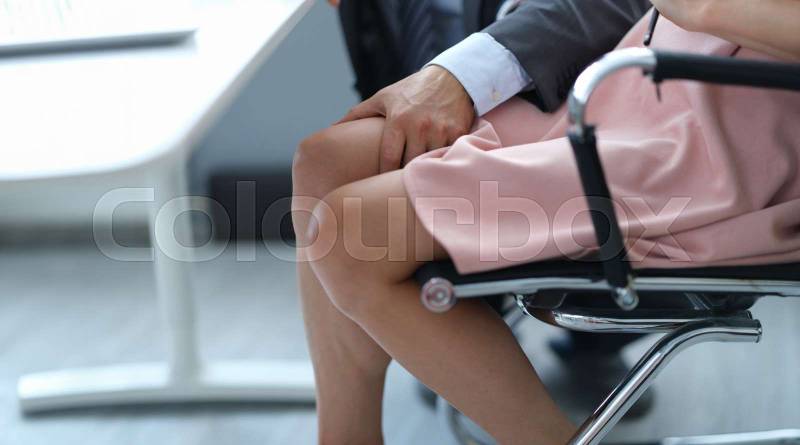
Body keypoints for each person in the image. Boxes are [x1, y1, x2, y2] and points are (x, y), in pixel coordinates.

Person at [293, 0, 800, 443]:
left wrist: (706, 8)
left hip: (715, 143)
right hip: (636, 86)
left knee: (349, 234)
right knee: (327, 160)